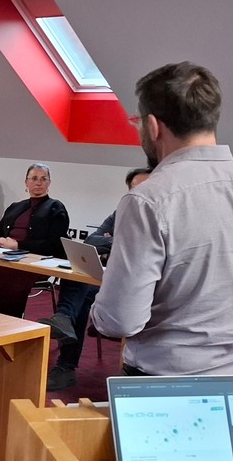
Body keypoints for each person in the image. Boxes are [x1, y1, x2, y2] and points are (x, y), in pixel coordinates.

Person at [92, 61, 233, 376]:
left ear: (153, 126)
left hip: (168, 382)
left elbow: (120, 321)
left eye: (137, 121)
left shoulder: (148, 200)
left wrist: (98, 307)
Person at [38, 167, 151, 391]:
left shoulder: (160, 217)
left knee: (80, 295)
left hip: (142, 284)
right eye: (134, 190)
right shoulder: (120, 213)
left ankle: (66, 330)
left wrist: (114, 242)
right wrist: (120, 242)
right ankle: (65, 341)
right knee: (80, 278)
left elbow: (145, 248)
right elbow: (92, 240)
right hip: (112, 276)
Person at [0, 162, 69, 318]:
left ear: (49, 183)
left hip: (35, 260)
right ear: (26, 182)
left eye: (43, 179)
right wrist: (0, 240)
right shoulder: (15, 207)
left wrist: (18, 245)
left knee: (5, 273)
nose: (38, 183)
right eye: (34, 178)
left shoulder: (55, 207)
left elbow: (54, 244)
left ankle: (6, 320)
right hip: (5, 254)